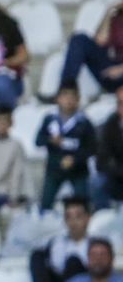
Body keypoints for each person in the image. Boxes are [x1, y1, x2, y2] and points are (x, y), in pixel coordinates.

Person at [37, 83, 96, 212]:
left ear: (78, 99)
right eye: (65, 96)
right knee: (45, 204)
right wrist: (50, 140)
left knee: (82, 204)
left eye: (72, 97)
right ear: (57, 99)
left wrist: (75, 159)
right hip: (54, 169)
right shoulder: (50, 119)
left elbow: (92, 148)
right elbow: (38, 141)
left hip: (78, 170)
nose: (68, 101)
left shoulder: (84, 122)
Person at [32, 196, 93, 282]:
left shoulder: (94, 245)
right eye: (68, 217)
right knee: (37, 256)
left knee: (73, 261)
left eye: (78, 217)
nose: (73, 222)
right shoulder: (56, 243)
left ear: (87, 218)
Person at [97, 86, 123, 209]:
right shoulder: (110, 125)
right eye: (121, 103)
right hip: (117, 175)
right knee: (96, 182)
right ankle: (103, 221)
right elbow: (103, 158)